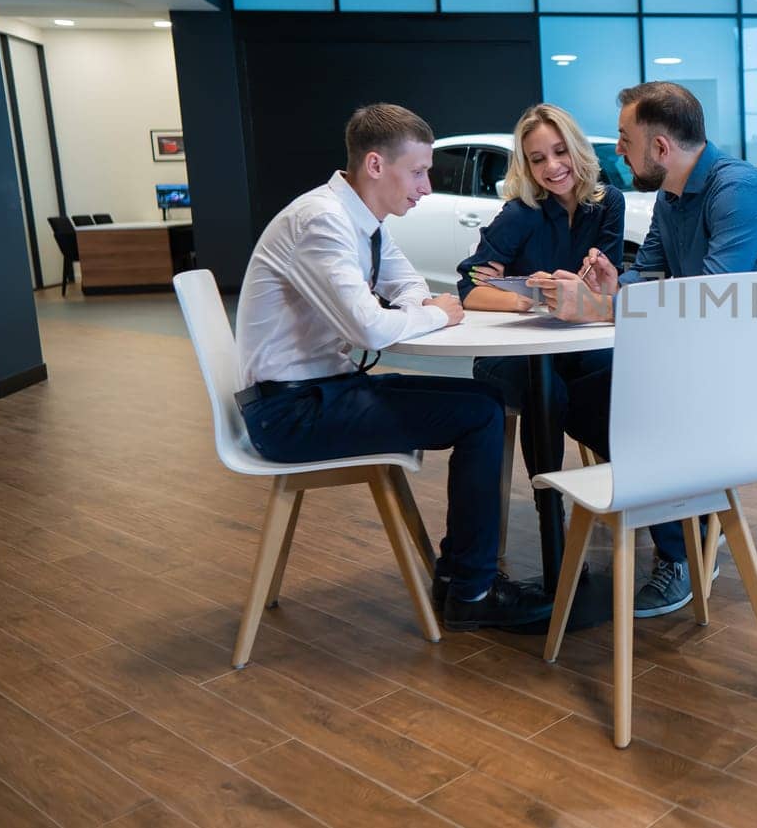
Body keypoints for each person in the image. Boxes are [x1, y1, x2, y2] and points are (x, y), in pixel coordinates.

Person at [234, 102, 551, 630]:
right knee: (480, 414)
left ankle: (460, 577)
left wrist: (421, 309)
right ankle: (470, 592)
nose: (427, 187)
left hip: (318, 392)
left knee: (487, 403)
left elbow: (410, 289)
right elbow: (370, 330)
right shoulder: (322, 223)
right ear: (376, 166)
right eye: (419, 171)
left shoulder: (363, 222)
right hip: (288, 413)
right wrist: (429, 313)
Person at [531, 81, 757, 618]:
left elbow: (709, 297)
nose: (618, 149)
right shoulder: (671, 194)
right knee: (584, 396)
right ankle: (687, 516)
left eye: (625, 138)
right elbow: (651, 272)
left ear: (660, 147)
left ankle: (686, 550)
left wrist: (602, 307)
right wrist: (613, 285)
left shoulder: (738, 190)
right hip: (707, 353)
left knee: (640, 401)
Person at [456, 102, 624, 477]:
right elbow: (470, 289)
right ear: (526, 166)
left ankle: (643, 482)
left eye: (560, 151)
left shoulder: (608, 203)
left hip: (574, 347)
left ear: (577, 150)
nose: (552, 166)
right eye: (537, 159)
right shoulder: (520, 214)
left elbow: (606, 290)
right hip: (513, 357)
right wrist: (529, 299)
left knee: (624, 371)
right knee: (548, 389)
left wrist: (602, 285)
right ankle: (550, 507)